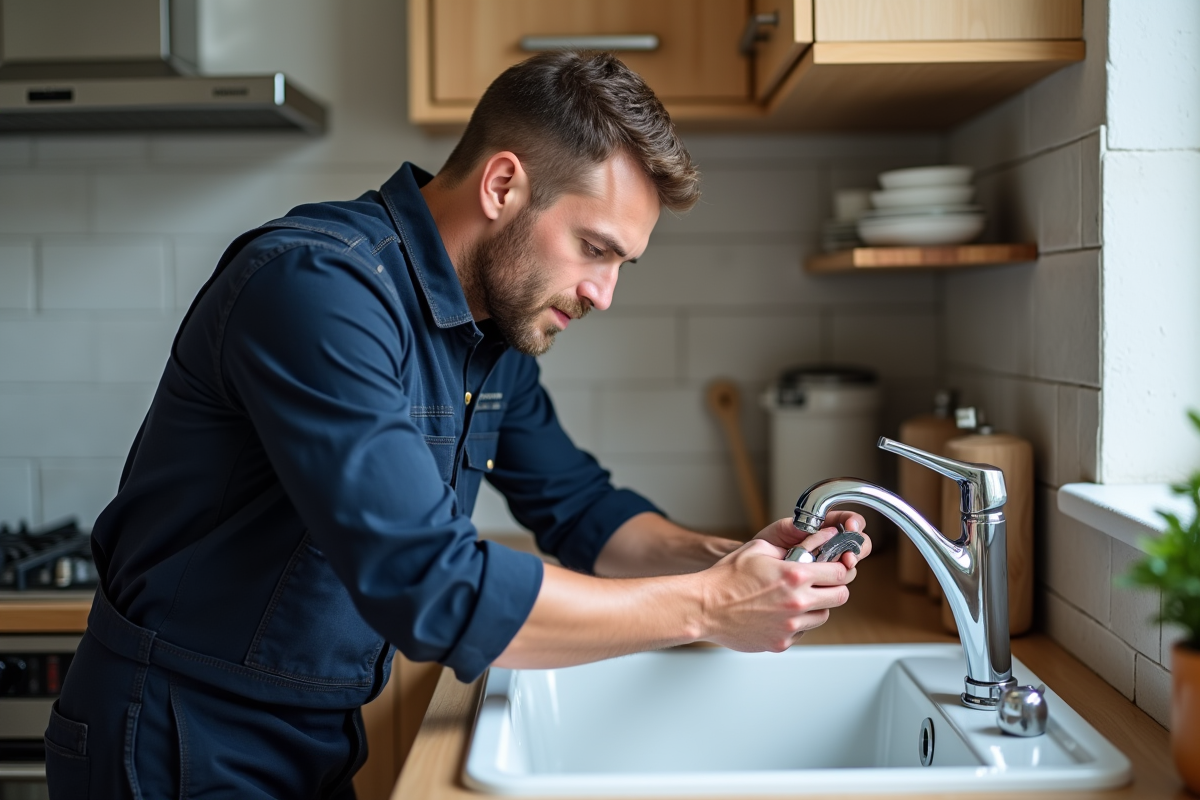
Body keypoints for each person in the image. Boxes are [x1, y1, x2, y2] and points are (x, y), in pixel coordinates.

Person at [46, 51, 870, 799]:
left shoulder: (490, 326)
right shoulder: (317, 288)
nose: (603, 292)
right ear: (503, 185)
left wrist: (733, 560)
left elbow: (580, 508)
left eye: (622, 263)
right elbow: (434, 587)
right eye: (594, 247)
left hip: (312, 736)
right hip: (171, 737)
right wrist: (708, 606)